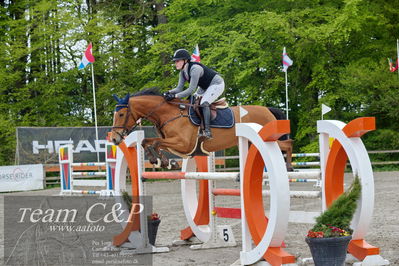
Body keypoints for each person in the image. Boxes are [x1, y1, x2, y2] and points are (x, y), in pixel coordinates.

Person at [164, 49, 225, 139]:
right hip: (204, 87)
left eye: (177, 61)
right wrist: (168, 92)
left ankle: (207, 131)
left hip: (216, 84)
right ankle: (198, 128)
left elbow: (191, 89)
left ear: (185, 60)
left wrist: (175, 96)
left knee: (204, 103)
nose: (175, 63)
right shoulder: (182, 72)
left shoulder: (195, 69)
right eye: (175, 61)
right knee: (192, 102)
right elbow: (179, 88)